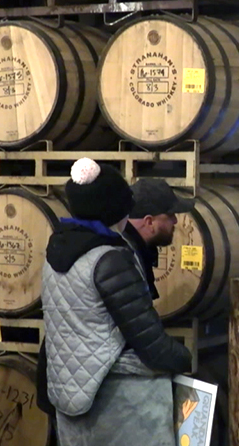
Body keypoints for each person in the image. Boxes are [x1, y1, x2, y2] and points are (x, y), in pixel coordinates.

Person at [40, 158, 192, 446]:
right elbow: (149, 342)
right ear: (116, 208)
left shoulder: (55, 253)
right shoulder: (110, 259)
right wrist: (184, 358)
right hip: (116, 403)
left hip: (69, 392)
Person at [124, 178, 196, 299]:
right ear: (149, 222)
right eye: (170, 215)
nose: (175, 220)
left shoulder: (138, 251)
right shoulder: (124, 261)